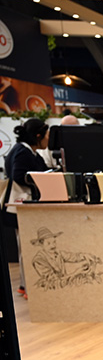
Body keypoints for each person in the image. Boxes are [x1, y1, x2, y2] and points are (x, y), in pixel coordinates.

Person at [2, 118, 50, 298]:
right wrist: (40, 179)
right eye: (46, 135)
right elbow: (18, 175)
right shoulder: (23, 152)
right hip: (22, 207)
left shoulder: (29, 152)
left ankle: (25, 285)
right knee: (26, 248)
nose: (48, 139)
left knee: (26, 247)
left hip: (24, 208)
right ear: (38, 136)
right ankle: (28, 287)